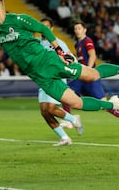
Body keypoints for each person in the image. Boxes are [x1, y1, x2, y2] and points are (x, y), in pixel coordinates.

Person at [0, 0, 119, 120]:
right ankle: (113, 105)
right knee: (76, 104)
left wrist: (59, 51)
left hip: (49, 61)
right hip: (38, 76)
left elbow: (43, 28)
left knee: (92, 75)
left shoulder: (18, 19)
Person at [65, 21, 119, 136]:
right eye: (75, 29)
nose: (77, 30)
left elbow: (93, 56)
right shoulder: (77, 44)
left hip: (90, 77)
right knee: (67, 94)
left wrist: (88, 71)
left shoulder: (87, 41)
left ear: (85, 30)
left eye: (79, 28)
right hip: (82, 77)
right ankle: (70, 120)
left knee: (103, 105)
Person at [37, 17, 82, 146]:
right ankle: (65, 137)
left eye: (46, 27)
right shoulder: (36, 42)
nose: (43, 30)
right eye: (42, 27)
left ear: (51, 29)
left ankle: (73, 119)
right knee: (44, 112)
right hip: (43, 81)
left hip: (55, 79)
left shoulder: (58, 43)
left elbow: (72, 58)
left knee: (50, 108)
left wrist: (71, 67)